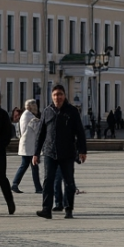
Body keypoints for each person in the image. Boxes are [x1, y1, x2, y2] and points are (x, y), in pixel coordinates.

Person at [33, 84, 88, 219]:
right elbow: (41, 134)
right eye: (55, 95)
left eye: (60, 94)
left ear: (64, 96)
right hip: (50, 152)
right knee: (48, 181)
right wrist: (36, 153)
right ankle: (46, 209)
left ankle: (68, 209)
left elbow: (80, 132)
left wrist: (82, 150)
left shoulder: (72, 111)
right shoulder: (47, 111)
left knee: (69, 181)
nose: (58, 97)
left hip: (67, 152)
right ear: (52, 97)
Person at [12, 99, 41, 196]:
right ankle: (37, 187)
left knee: (26, 166)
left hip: (26, 145)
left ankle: (16, 184)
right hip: (29, 146)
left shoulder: (24, 115)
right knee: (32, 166)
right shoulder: (30, 116)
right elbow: (37, 130)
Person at [0, 91, 14, 214]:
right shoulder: (3, 114)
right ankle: (10, 203)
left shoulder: (2, 114)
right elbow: (8, 134)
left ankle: (10, 203)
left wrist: (1, 145)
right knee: (2, 178)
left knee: (1, 178)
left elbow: (7, 133)